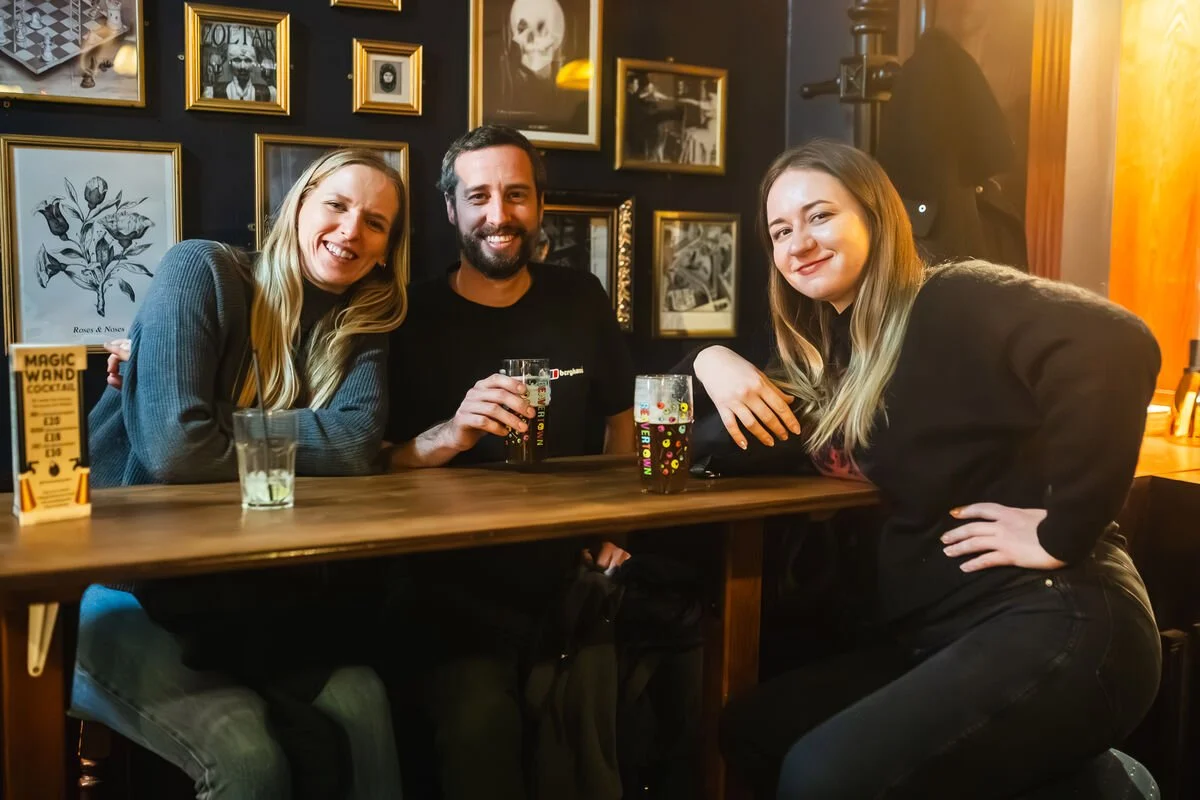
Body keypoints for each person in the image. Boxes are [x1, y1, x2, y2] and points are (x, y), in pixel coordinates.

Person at [689, 139, 1162, 798]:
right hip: (946, 635)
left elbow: (1114, 343)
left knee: (821, 778)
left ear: (876, 220)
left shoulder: (948, 299)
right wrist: (711, 360)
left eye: (820, 215)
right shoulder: (847, 360)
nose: (799, 241)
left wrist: (1061, 532)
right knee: (754, 731)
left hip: (1060, 622)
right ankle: (1090, 783)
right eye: (780, 230)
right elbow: (718, 446)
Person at [72, 148, 409, 800]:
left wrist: (213, 416)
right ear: (298, 206)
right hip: (125, 584)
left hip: (245, 593)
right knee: (250, 758)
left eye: (376, 222)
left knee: (366, 704)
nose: (351, 231)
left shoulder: (362, 319)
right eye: (337, 205)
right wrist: (195, 418)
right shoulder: (202, 270)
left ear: (388, 246)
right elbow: (174, 452)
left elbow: (357, 444)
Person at [386, 124, 635, 800]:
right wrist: (452, 433)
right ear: (450, 210)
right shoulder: (408, 314)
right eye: (479, 197)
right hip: (451, 593)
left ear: (540, 204)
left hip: (570, 582)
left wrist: (613, 529)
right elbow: (375, 465)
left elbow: (622, 425)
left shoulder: (579, 297)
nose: (499, 216)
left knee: (591, 753)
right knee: (481, 736)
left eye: (517, 195)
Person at [203, 40, 276, 102]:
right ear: (230, 63)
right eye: (237, 60)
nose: (242, 66)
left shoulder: (269, 93)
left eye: (247, 61)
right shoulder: (213, 92)